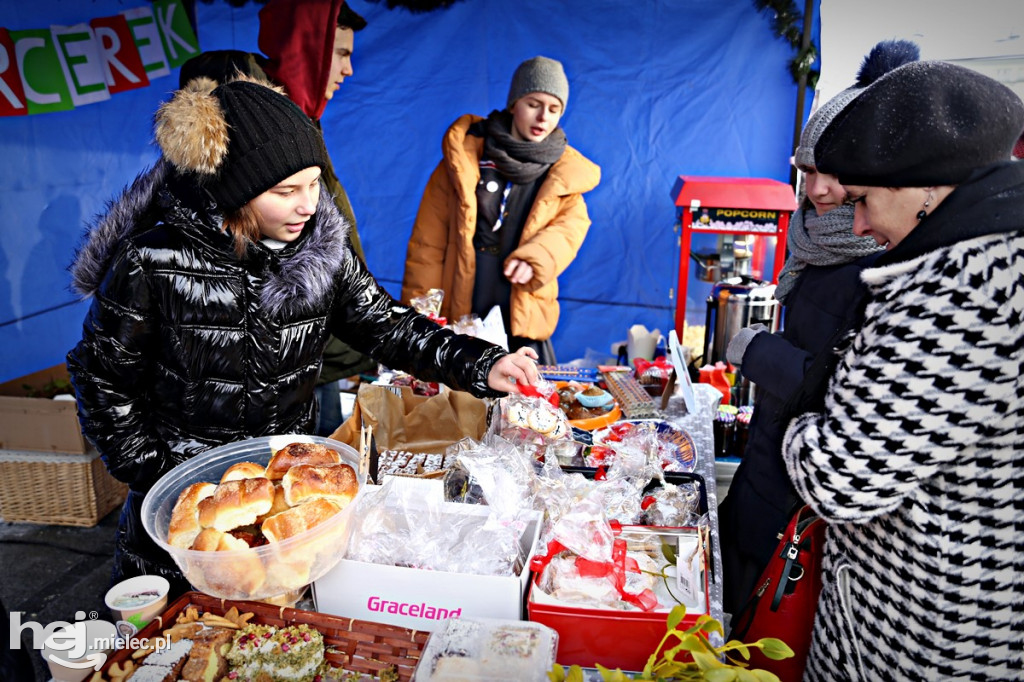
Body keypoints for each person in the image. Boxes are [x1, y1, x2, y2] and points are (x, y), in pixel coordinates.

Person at [67, 77, 541, 596]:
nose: (307, 205)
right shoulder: (152, 260)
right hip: (187, 505)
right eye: (285, 191)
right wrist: (156, 474)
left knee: (277, 632)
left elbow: (387, 325)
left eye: (314, 183)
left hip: (284, 493)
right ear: (235, 191)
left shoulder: (321, 251)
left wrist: (481, 364)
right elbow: (102, 376)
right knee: (175, 645)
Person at [781, 60, 1024, 680]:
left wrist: (800, 423)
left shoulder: (962, 289)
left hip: (915, 639)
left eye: (863, 200)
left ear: (926, 187)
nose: (858, 224)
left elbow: (838, 479)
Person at [716, 40, 918, 619]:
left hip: (803, 490)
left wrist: (753, 349)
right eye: (807, 169)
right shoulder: (811, 239)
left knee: (766, 622)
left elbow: (842, 384)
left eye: (834, 172)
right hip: (766, 456)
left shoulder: (882, 262)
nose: (818, 189)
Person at [179, 0, 377, 437]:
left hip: (314, 346)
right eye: (340, 54)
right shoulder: (250, 133)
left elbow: (329, 247)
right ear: (308, 49)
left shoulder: (301, 123)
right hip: (271, 361)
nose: (347, 70)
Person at [401, 56, 600, 366]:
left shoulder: (563, 171)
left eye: (554, 108)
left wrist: (537, 258)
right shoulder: (463, 160)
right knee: (462, 399)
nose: (543, 117)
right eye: (534, 103)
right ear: (514, 103)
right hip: (464, 301)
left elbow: (571, 226)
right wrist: (421, 314)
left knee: (524, 403)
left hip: (522, 308)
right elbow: (428, 244)